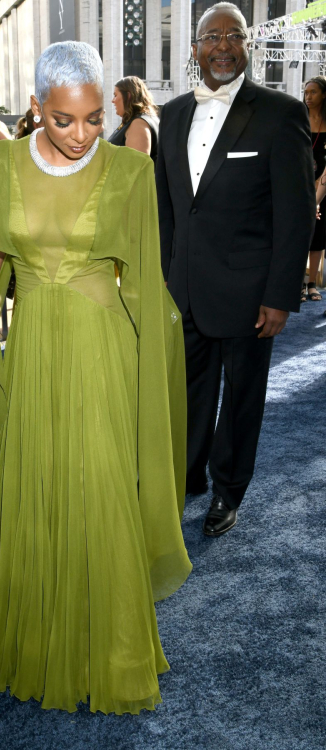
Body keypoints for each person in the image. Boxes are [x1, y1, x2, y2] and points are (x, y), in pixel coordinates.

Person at [0, 40, 192, 714]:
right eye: (64, 120)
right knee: (37, 476)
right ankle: (37, 636)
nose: (83, 135)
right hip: (33, 349)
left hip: (102, 348)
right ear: (36, 108)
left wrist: (162, 353)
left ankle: (112, 649)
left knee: (99, 480)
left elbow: (145, 281)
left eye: (95, 118)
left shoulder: (130, 171)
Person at [155, 2, 315, 537]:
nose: (222, 46)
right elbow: (168, 210)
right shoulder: (171, 113)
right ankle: (188, 476)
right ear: (195, 48)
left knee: (242, 396)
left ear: (246, 45)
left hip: (251, 293)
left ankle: (228, 490)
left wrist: (280, 294)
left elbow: (296, 216)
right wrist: (161, 279)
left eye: (233, 36)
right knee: (187, 391)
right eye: (211, 37)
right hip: (183, 288)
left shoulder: (279, 111)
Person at [303, 77, 326, 302]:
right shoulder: (298, 117)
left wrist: (317, 200)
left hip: (322, 187)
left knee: (318, 234)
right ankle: (298, 282)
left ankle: (312, 283)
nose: (308, 97)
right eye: (306, 92)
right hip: (299, 185)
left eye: (313, 92)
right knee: (299, 234)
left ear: (324, 95)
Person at [107, 76, 159, 162]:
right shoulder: (142, 120)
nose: (113, 100)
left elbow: (136, 168)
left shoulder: (138, 124)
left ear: (128, 96)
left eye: (115, 95)